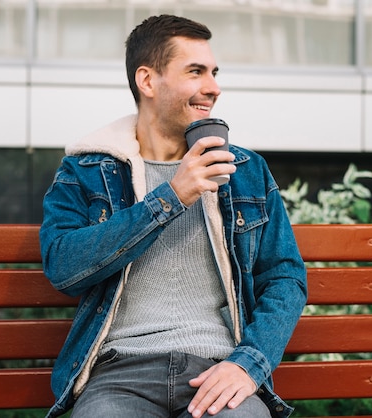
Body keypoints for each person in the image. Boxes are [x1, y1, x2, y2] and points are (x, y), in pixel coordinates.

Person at [39, 14, 307, 418]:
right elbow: (63, 266)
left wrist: (247, 365)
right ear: (147, 81)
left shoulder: (245, 171)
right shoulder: (86, 170)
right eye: (196, 72)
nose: (213, 87)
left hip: (218, 370)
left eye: (214, 73)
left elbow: (285, 277)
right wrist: (171, 197)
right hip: (117, 376)